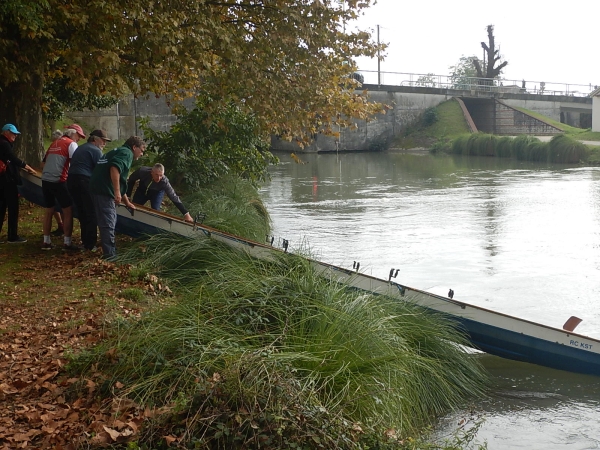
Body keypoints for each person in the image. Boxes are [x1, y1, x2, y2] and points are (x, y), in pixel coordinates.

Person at [90, 136, 146, 259]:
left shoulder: (119, 150)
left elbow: (119, 181)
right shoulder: (127, 153)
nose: (142, 153)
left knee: (106, 220)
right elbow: (114, 168)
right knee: (108, 222)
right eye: (141, 150)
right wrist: (117, 192)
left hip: (97, 189)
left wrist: (126, 201)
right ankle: (110, 256)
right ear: (134, 147)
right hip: (104, 191)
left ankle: (108, 251)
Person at [40, 124, 85, 250]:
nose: (79, 139)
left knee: (49, 210)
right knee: (68, 210)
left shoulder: (54, 143)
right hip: (59, 180)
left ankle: (46, 241)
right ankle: (67, 242)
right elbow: (76, 163)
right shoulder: (71, 144)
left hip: (46, 180)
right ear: (73, 133)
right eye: (79, 136)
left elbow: (43, 163)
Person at [67, 129, 110, 251]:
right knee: (91, 212)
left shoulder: (81, 148)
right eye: (103, 141)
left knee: (82, 212)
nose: (104, 144)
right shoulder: (95, 150)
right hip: (84, 181)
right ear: (95, 139)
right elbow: (102, 171)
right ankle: (90, 244)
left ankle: (85, 242)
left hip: (71, 180)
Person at [0, 124, 37, 243]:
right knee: (12, 208)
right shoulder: (4, 144)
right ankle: (12, 236)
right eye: (13, 133)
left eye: (16, 134)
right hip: (7, 180)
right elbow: (13, 158)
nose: (15, 136)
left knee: (1, 207)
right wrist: (27, 167)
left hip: (2, 180)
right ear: (6, 133)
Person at [126, 164, 193, 223]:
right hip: (142, 190)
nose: (159, 178)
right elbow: (131, 180)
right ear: (151, 172)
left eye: (161, 175)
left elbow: (173, 196)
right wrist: (127, 195)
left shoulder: (164, 182)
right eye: (156, 175)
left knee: (155, 211)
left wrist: (186, 213)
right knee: (134, 206)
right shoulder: (142, 171)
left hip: (157, 193)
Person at [49, 129, 65, 236]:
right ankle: (60, 225)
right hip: (52, 179)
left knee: (64, 205)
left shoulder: (65, 147)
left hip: (62, 180)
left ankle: (64, 227)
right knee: (54, 205)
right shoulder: (52, 148)